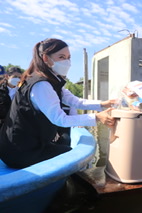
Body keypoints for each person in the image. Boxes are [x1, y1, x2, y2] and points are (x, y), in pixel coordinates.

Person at [0, 38, 115, 168]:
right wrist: (97, 117)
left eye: (68, 57)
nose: (67, 62)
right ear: (45, 58)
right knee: (71, 156)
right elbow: (60, 119)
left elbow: (75, 101)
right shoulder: (41, 84)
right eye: (61, 57)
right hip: (18, 151)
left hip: (26, 144)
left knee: (64, 146)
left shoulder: (51, 81)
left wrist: (103, 104)